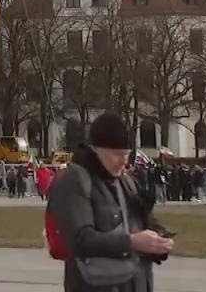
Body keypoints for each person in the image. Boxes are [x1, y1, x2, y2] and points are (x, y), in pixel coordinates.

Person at [48, 112, 173, 291]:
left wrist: (159, 239)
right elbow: (80, 239)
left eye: (126, 154)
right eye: (116, 154)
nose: (123, 161)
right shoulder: (74, 179)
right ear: (96, 149)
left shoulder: (126, 180)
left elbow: (146, 221)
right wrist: (132, 242)